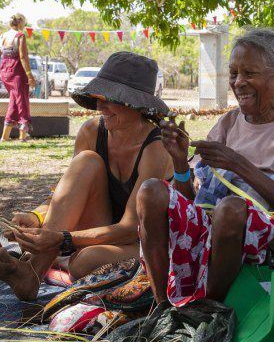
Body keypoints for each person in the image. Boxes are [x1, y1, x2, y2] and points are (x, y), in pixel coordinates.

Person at [137, 28, 274, 306]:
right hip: (209, 222)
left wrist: (237, 163)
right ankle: (162, 304)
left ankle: (209, 309)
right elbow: (192, 200)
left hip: (264, 231)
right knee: (151, 190)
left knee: (231, 208)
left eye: (249, 74)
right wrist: (179, 161)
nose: (238, 82)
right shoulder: (229, 123)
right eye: (234, 73)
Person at [0, 51, 173, 301]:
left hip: (143, 241)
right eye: (97, 97)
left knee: (83, 263)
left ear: (136, 103)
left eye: (109, 99)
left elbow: (129, 228)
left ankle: (45, 262)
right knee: (86, 161)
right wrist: (37, 217)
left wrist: (62, 239)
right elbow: (67, 191)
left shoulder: (156, 148)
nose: (99, 106)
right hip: (99, 232)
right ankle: (32, 273)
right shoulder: (92, 131)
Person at [0, 13, 36, 141]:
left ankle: (5, 136)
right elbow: (22, 57)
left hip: (5, 73)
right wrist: (30, 75)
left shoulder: (3, 36)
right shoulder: (20, 35)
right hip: (17, 73)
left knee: (14, 101)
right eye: (24, 22)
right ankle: (23, 133)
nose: (25, 25)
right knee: (23, 101)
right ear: (20, 22)